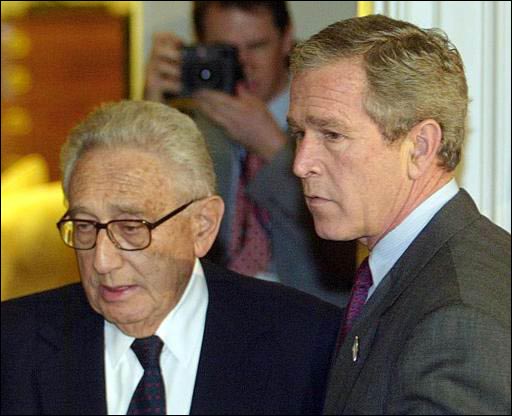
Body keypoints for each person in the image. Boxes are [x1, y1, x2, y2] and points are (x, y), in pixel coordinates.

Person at [1, 101, 343, 415]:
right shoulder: (13, 345)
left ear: (202, 226)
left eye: (131, 227)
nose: (102, 261)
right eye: (85, 226)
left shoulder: (308, 344)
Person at [288, 14, 511, 415]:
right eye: (299, 134)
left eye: (332, 135)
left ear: (421, 147)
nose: (301, 164)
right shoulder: (424, 269)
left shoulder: (459, 315)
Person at [145, 1, 355, 305]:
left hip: (311, 306)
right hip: (210, 307)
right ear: (200, 45)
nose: (244, 64)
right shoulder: (183, 122)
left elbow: (348, 240)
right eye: (226, 50)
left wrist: (275, 149)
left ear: (287, 39)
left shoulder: (331, 113)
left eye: (257, 46)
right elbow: (146, 224)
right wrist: (150, 108)